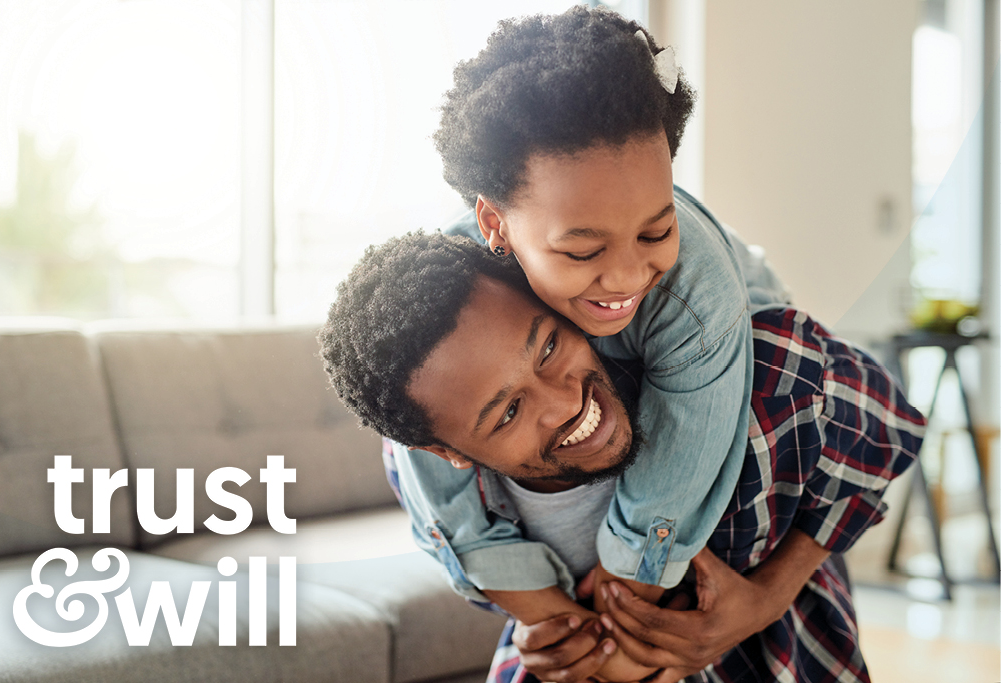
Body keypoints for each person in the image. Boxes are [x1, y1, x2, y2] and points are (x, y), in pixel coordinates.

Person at [320, 232, 926, 682]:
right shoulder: (431, 482)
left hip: (778, 649)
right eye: (507, 414)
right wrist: (549, 634)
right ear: (449, 453)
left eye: (550, 345)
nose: (565, 402)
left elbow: (882, 430)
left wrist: (767, 596)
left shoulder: (752, 376)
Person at [390, 6, 798, 635]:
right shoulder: (452, 293)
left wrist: (619, 609)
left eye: (656, 230)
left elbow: (675, 479)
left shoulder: (697, 295)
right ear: (495, 225)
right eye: (583, 252)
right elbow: (423, 442)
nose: (629, 275)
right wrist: (541, 612)